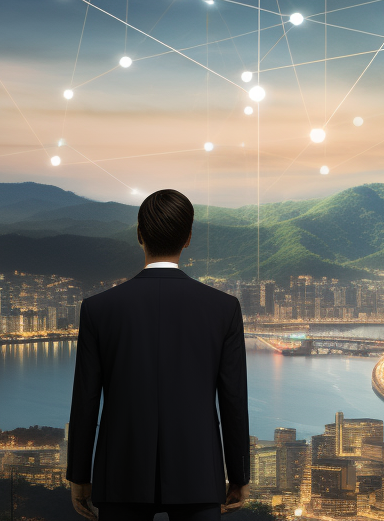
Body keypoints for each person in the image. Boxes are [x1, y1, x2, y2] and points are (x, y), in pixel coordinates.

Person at [66, 189, 250, 521]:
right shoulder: (224, 309)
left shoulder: (98, 309)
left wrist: (79, 474)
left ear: (139, 235)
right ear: (188, 238)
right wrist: (239, 475)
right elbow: (233, 401)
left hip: (121, 471)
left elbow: (86, 400)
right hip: (198, 473)